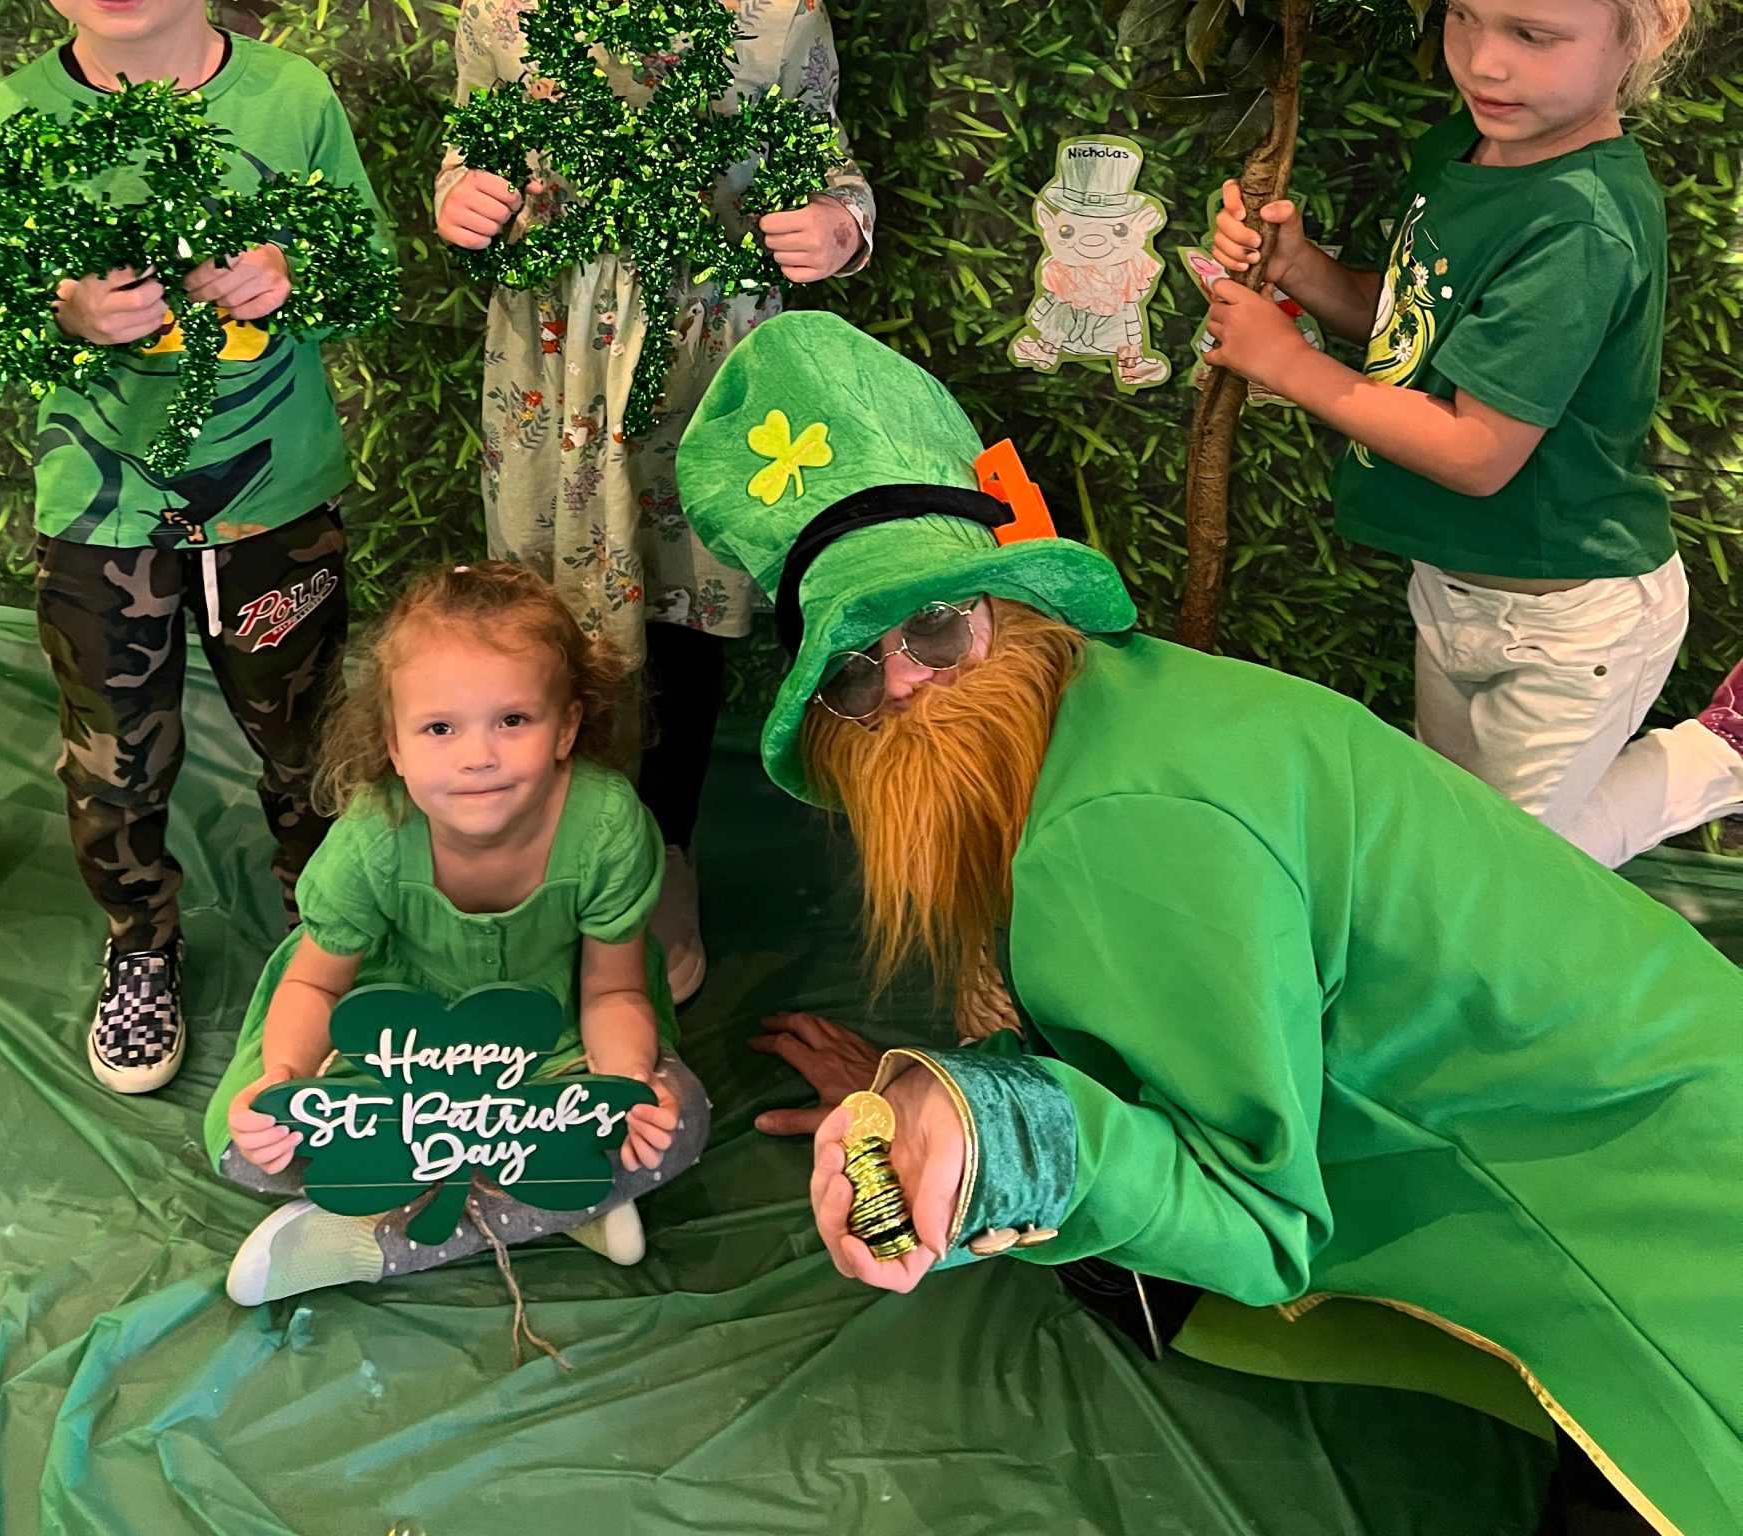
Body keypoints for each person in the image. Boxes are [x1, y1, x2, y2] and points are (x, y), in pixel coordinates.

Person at [674, 310, 1743, 1536]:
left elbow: (1256, 1224)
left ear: (1013, 606)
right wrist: (931, 1104)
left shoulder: (1113, 827)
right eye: (857, 673)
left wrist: (999, 1133)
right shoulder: (1121, 707)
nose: (908, 688)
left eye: (936, 626)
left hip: (1675, 1228)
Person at [434, 0, 875, 1001]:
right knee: (554, 621)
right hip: (556, 377)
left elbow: (830, 168)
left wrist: (836, 226)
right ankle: (564, 853)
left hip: (706, 373)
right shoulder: (507, 6)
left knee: (685, 627)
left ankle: (664, 850)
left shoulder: (778, 14)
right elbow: (473, 151)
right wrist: (464, 197)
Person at [0, 0, 391, 1095]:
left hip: (274, 507)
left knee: (309, 742)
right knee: (114, 762)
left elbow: (368, 266)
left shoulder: (292, 99)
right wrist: (66, 312)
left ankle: (335, 931)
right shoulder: (16, 120)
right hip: (101, 524)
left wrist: (292, 272)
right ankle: (139, 940)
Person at [1205, 0, 1743, 867]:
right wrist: (1305, 274)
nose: (1483, 63)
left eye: (1533, 35)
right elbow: (1419, 324)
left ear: (1650, 29)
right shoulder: (1468, 147)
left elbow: (1477, 450)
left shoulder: (1581, 223)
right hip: (1454, 587)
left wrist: (1292, 365)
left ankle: (1715, 756)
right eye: (1463, 16)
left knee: (1504, 874)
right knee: (1456, 833)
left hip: (1569, 622)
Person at [207, 560, 708, 1303]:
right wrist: (284, 1083)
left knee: (677, 1120)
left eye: (513, 720)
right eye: (440, 728)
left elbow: (613, 992)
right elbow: (314, 983)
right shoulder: (375, 835)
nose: (479, 756)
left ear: (567, 725)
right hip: (386, 1050)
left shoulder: (608, 827)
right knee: (247, 1145)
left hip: (552, 1043)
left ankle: (374, 1238)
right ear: (395, 745)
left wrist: (624, 1088)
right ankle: (559, 1196)